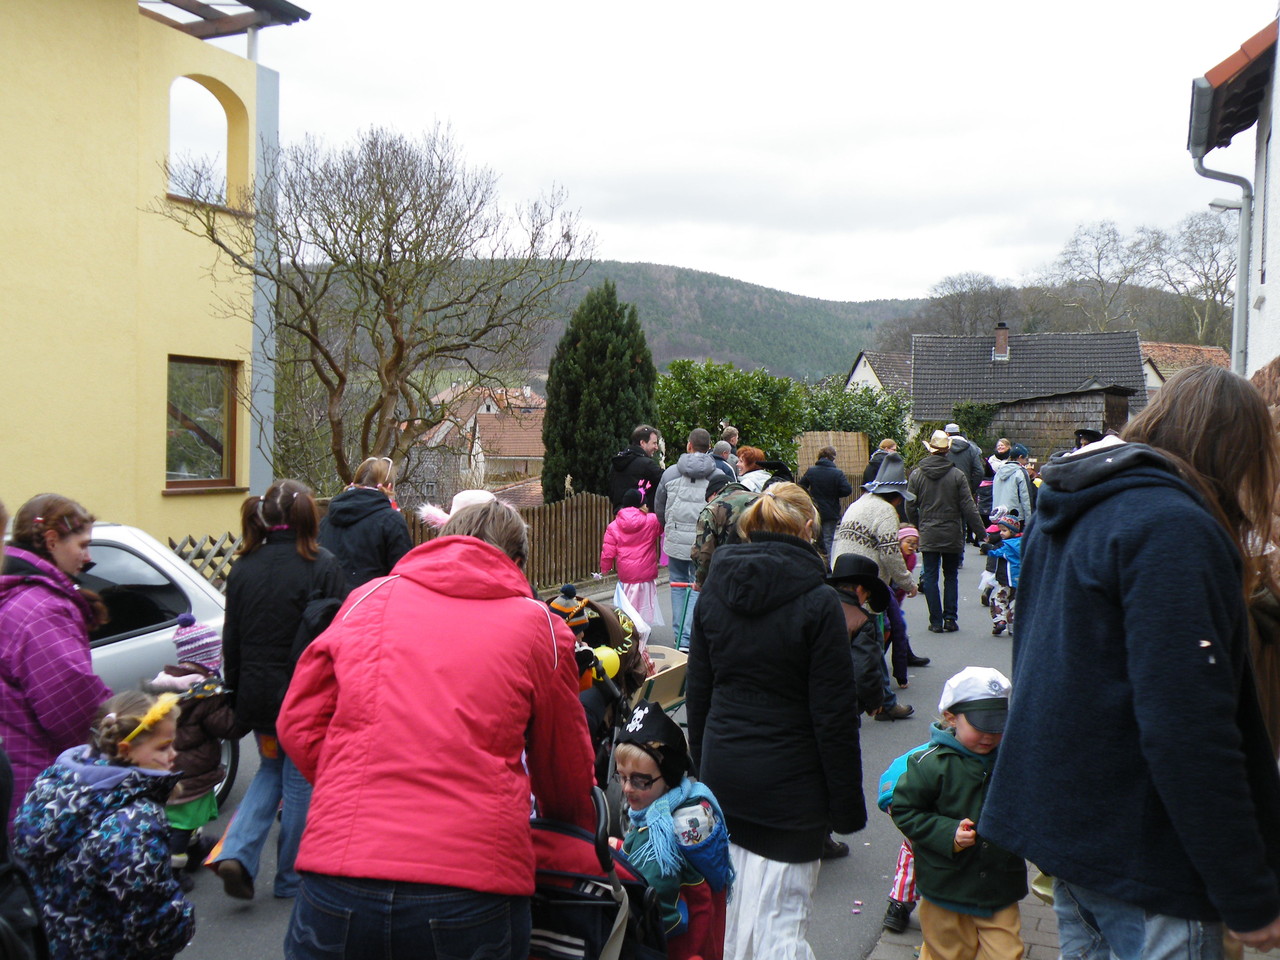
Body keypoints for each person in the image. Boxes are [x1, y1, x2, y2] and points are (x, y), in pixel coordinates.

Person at [982, 364, 1280, 956]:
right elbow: (1188, 726)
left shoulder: (1077, 503)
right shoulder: (1173, 527)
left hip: (1071, 831)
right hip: (1144, 852)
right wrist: (1245, 889)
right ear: (1235, 454)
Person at [277, 499, 596, 960]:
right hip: (472, 883)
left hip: (341, 873)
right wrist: (576, 839)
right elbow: (563, 765)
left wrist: (348, 788)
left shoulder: (367, 600)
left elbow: (300, 722)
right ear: (517, 561)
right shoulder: (540, 628)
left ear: (441, 539)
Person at [687, 482, 864, 960]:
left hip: (724, 774)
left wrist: (702, 779)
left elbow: (698, 696)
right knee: (781, 926)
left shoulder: (714, 591)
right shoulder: (820, 603)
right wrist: (846, 808)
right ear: (808, 527)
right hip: (792, 789)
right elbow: (834, 716)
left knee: (730, 923)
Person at [211, 480, 348, 902]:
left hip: (257, 695)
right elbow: (341, 638)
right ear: (309, 516)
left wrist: (234, 692)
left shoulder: (243, 567)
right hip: (304, 697)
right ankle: (292, 877)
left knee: (270, 770)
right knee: (301, 779)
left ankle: (236, 851)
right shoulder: (322, 565)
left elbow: (231, 638)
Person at [14, 690, 195, 960]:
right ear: (125, 750)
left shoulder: (54, 785)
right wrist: (184, 920)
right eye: (162, 747)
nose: (173, 755)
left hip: (55, 945)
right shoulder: (135, 823)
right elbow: (154, 924)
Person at [891, 667, 1026, 960]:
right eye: (981, 725)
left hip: (999, 885)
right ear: (951, 717)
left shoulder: (1013, 762)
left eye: (998, 726)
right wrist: (947, 832)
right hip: (946, 886)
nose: (990, 735)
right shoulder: (930, 763)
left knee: (1007, 953)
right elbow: (905, 810)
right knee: (948, 953)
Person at [0, 493, 111, 827]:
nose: (88, 557)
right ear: (51, 541)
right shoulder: (42, 610)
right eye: (82, 545)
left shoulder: (15, 594)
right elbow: (73, 708)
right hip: (34, 788)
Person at [615, 699, 732, 960]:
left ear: (667, 776)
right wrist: (622, 847)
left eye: (640, 780)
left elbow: (651, 916)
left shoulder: (659, 838)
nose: (627, 788)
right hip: (705, 945)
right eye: (621, 776)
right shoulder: (693, 802)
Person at [147, 613, 242, 890]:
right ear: (207, 660)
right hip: (192, 770)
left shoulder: (165, 684)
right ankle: (173, 871)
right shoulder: (204, 693)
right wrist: (242, 711)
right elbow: (226, 727)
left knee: (179, 816)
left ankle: (194, 846)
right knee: (184, 820)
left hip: (169, 767)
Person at [906, 432, 986, 634]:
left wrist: (917, 526)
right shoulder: (957, 475)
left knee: (930, 576)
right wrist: (982, 533)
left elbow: (910, 505)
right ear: (947, 451)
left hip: (928, 531)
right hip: (952, 531)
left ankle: (935, 621)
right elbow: (969, 507)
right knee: (950, 576)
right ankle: (950, 618)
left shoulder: (917, 474)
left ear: (930, 450)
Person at [655, 428, 719, 649]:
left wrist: (669, 527)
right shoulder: (717, 475)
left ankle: (679, 635)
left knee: (677, 583)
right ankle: (689, 636)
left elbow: (659, 507)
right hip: (703, 541)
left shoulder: (670, 473)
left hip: (675, 538)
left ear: (689, 445)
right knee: (697, 584)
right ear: (709, 447)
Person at [831, 453, 919, 601]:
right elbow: (890, 554)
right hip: (865, 585)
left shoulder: (858, 503)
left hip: (841, 577)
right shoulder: (886, 511)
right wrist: (908, 583)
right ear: (896, 496)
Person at [317, 455, 413, 591]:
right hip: (370, 600)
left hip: (330, 600)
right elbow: (402, 573)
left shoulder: (327, 520)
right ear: (389, 487)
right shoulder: (391, 521)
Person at [600, 487, 663, 629]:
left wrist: (605, 569)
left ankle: (630, 630)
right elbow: (663, 526)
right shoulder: (652, 521)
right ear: (640, 505)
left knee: (628, 605)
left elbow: (608, 552)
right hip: (646, 573)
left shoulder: (613, 526)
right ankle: (643, 628)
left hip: (627, 574)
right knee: (645, 605)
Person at [691, 474, 758, 589]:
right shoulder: (763, 501)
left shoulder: (713, 509)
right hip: (765, 575)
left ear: (714, 494)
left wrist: (701, 582)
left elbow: (704, 552)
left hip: (730, 579)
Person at [800, 446, 854, 557]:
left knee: (814, 539)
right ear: (832, 458)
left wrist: (810, 497)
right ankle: (828, 564)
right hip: (831, 510)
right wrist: (835, 493)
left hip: (815, 510)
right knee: (828, 539)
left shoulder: (811, 471)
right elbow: (847, 490)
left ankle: (815, 561)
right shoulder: (837, 473)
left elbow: (801, 486)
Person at [978, 514, 1021, 637]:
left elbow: (995, 553)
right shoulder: (1022, 543)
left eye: (1004, 530)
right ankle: (1013, 627)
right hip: (1019, 579)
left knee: (999, 599)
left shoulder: (1007, 545)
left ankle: (1000, 620)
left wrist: (987, 548)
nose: (1001, 533)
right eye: (1000, 530)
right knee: (1014, 603)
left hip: (1006, 579)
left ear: (1012, 531)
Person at [609, 425, 665, 510]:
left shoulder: (617, 463)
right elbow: (665, 480)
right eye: (654, 443)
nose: (656, 447)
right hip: (641, 515)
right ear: (642, 443)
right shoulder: (647, 464)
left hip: (620, 514)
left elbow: (611, 492)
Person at [990, 443, 1032, 521]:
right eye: (1026, 459)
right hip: (1016, 517)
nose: (1027, 463)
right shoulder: (1021, 472)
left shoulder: (998, 472)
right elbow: (1026, 498)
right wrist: (1029, 520)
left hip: (999, 515)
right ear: (1020, 457)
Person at [942, 424, 984, 497]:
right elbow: (979, 472)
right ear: (959, 433)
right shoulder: (971, 448)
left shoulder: (941, 448)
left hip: (945, 491)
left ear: (947, 434)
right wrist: (971, 489)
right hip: (965, 490)